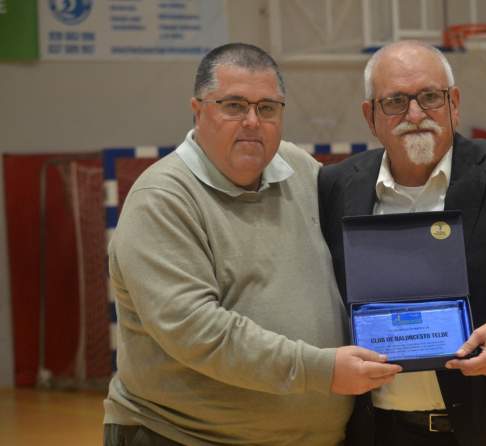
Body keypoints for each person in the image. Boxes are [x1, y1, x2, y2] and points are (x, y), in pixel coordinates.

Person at [103, 42, 402, 446]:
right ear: (197, 110)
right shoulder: (161, 199)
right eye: (233, 106)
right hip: (181, 436)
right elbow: (198, 332)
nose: (252, 121)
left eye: (267, 108)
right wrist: (323, 370)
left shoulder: (300, 171)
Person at [318, 40, 486, 446]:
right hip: (384, 432)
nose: (415, 114)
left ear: (454, 103)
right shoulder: (336, 185)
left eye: (430, 97)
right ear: (370, 116)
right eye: (395, 101)